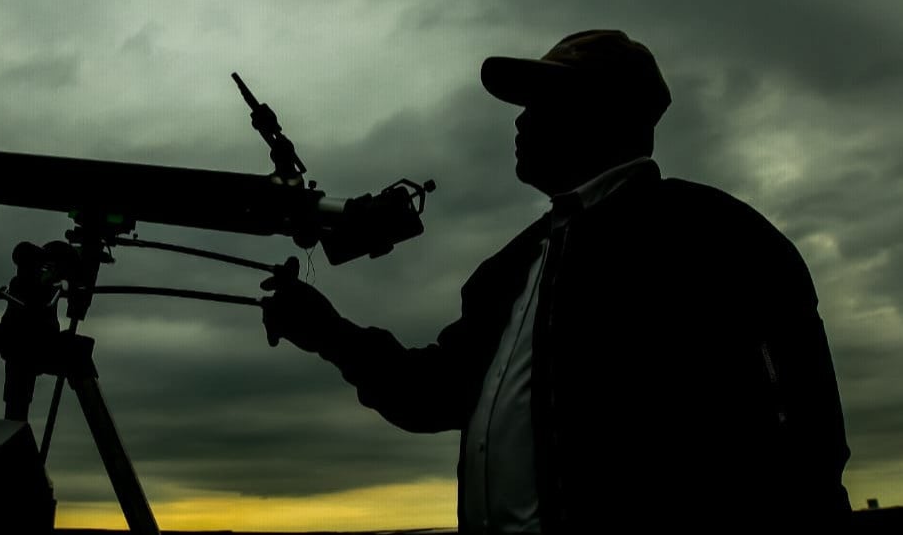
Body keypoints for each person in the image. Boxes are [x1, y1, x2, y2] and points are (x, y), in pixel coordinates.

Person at [258, 29, 852, 534]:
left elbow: (806, 442)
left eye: (539, 100)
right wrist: (327, 332)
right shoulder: (513, 266)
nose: (519, 119)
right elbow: (434, 394)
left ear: (602, 111)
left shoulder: (716, 235)